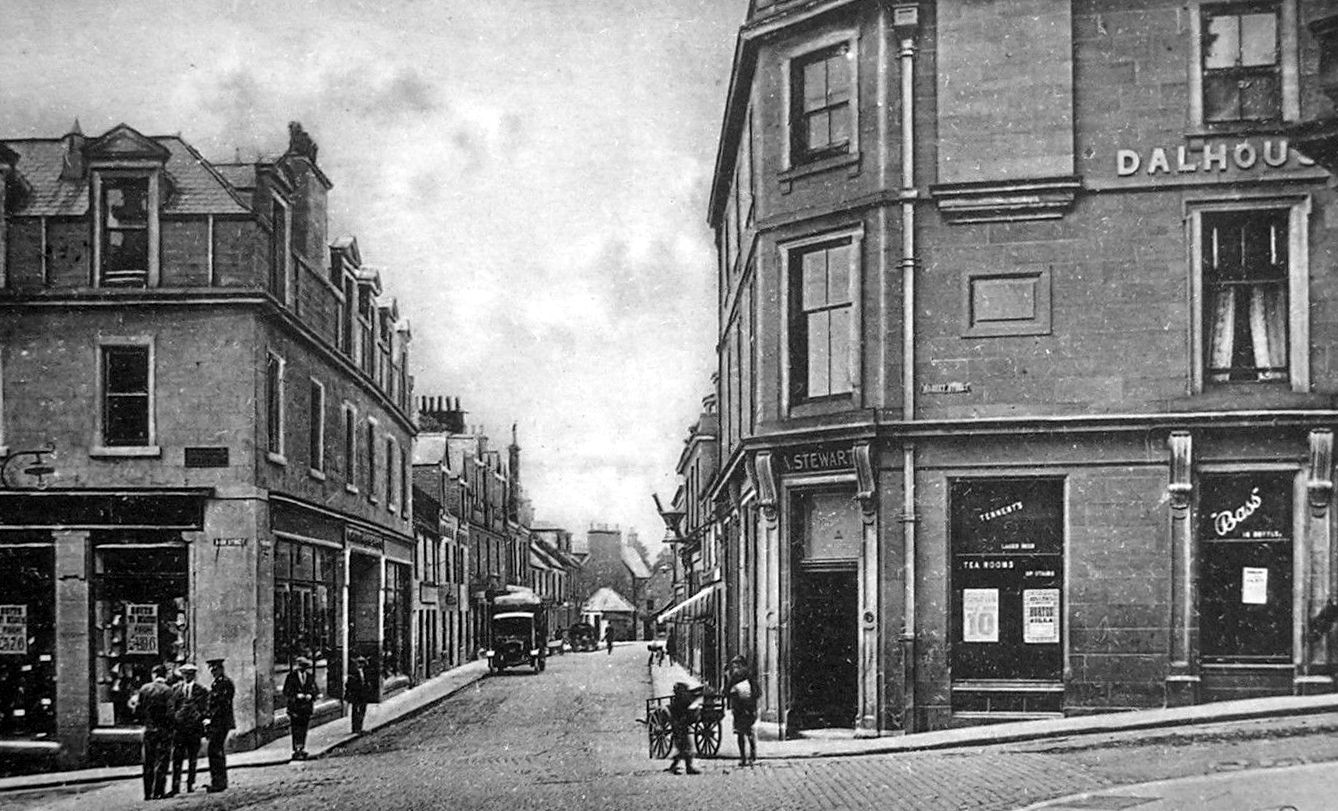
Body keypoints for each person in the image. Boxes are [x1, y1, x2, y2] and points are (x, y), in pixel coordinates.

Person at [128, 664, 177, 800]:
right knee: (162, 761)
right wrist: (171, 727)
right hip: (163, 731)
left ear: (153, 675)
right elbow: (170, 712)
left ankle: (147, 793)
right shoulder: (168, 691)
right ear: (165, 675)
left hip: (148, 730)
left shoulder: (144, 689)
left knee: (148, 762)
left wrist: (145, 721)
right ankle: (158, 791)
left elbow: (137, 710)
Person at [169, 663, 209, 795]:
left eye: (190, 674)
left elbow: (205, 709)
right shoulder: (175, 689)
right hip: (179, 730)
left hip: (194, 729)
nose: (187, 676)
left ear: (194, 675)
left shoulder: (201, 690)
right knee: (177, 759)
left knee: (193, 758)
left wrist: (198, 716)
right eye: (185, 674)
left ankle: (190, 784)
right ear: (182, 675)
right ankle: (175, 786)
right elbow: (171, 707)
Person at [204, 657, 236, 793]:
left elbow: (222, 705)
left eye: (215, 669)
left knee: (215, 751)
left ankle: (219, 782)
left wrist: (211, 719)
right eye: (211, 669)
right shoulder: (217, 683)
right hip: (218, 723)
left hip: (220, 723)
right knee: (215, 751)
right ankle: (218, 781)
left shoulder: (225, 683)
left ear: (221, 669)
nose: (213, 671)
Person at [283, 656, 318, 760]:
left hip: (306, 707)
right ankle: (296, 749)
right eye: (302, 666)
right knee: (296, 728)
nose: (303, 669)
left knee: (304, 728)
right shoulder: (291, 677)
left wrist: (311, 696)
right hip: (295, 707)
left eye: (305, 667)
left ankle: (302, 748)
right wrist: (296, 696)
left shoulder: (310, 676)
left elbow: (315, 689)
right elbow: (286, 691)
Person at [726, 655, 758, 767]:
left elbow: (727, 691)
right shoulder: (749, 674)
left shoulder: (734, 675)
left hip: (739, 708)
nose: (735, 667)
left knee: (740, 733)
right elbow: (757, 692)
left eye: (736, 665)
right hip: (749, 707)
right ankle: (752, 755)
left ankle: (743, 758)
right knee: (749, 731)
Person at [665, 681, 703, 775]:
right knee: (685, 748)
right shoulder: (678, 702)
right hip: (679, 726)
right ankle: (682, 767)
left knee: (685, 748)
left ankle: (683, 767)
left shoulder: (679, 701)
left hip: (682, 726)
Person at [344, 655, 372, 734]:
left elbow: (367, 682)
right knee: (356, 710)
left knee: (362, 710)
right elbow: (349, 684)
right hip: (356, 695)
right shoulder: (353, 672)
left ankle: (360, 727)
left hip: (363, 695)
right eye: (359, 663)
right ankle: (355, 728)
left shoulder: (365, 672)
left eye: (362, 663)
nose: (361, 665)